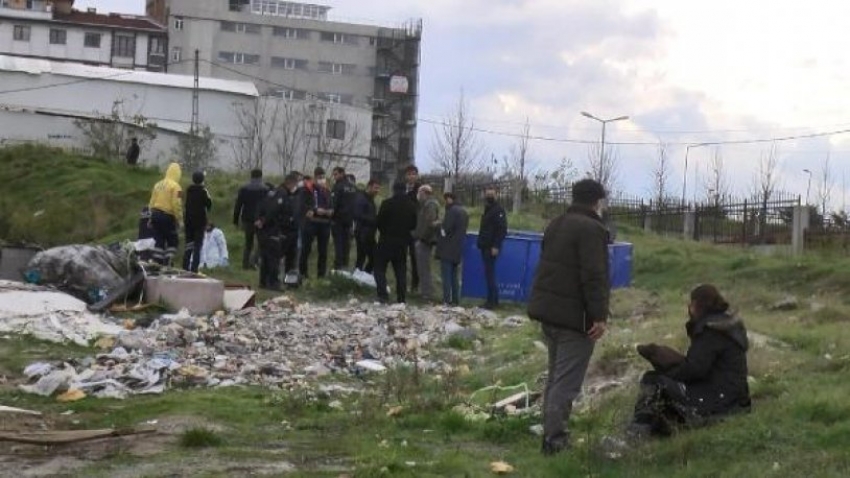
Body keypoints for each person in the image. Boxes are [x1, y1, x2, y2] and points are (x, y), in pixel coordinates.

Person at [527, 178, 611, 456]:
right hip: (575, 319)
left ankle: (549, 436)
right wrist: (599, 316)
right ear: (597, 202)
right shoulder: (592, 229)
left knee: (555, 378)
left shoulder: (556, 224)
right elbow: (594, 276)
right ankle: (555, 441)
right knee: (566, 383)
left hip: (549, 313)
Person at [628, 285, 751, 438]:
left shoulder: (711, 331)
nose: (689, 308)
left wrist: (667, 369)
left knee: (654, 380)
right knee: (667, 390)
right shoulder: (724, 325)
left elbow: (696, 370)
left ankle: (635, 435)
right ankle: (655, 430)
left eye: (691, 303)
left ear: (698, 304)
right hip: (734, 398)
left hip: (721, 400)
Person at [374, 182, 417, 304]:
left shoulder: (387, 203)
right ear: (405, 189)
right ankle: (401, 299)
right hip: (402, 243)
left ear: (393, 190)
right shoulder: (411, 205)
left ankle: (383, 295)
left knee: (379, 268)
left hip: (386, 241)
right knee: (400, 271)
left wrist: (384, 231)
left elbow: (379, 221)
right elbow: (414, 224)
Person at [477, 185, 508, 309]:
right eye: (487, 194)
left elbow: (502, 229)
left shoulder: (498, 210)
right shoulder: (488, 208)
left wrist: (496, 245)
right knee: (488, 274)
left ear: (496, 195)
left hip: (491, 246)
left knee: (490, 274)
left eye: (491, 194)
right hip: (485, 244)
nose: (489, 196)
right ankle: (492, 300)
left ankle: (492, 301)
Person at [436, 192, 469, 306]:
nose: (445, 202)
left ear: (449, 199)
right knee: (455, 276)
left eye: (445, 200)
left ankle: (446, 299)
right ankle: (455, 300)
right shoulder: (464, 212)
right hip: (458, 247)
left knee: (446, 276)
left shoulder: (452, 211)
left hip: (447, 247)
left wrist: (439, 226)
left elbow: (445, 230)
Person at [299, 168, 333, 279]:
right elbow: (302, 204)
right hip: (311, 223)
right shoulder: (307, 189)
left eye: (323, 177)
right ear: (314, 177)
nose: (321, 180)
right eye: (319, 178)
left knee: (323, 251)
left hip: (324, 223)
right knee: (306, 249)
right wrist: (314, 209)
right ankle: (303, 273)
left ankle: (321, 274)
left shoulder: (327, 190)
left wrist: (330, 211)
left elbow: (331, 204)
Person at [148, 162, 183, 266]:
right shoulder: (178, 187)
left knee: (159, 239)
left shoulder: (157, 184)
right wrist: (180, 220)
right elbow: (177, 204)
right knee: (173, 240)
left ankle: (157, 262)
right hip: (167, 216)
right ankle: (168, 261)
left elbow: (151, 203)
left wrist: (150, 217)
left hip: (155, 215)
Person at [233, 169, 269, 270]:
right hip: (260, 220)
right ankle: (255, 262)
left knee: (248, 243)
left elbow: (238, 205)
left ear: (251, 176)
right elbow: (267, 206)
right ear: (261, 176)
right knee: (261, 243)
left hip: (247, 218)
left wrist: (235, 220)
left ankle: (245, 264)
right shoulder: (265, 189)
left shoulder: (244, 188)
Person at [412, 184, 440, 301]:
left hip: (425, 241)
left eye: (419, 193)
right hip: (423, 239)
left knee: (424, 268)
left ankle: (427, 294)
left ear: (424, 193)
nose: (418, 195)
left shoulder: (430, 205)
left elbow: (430, 224)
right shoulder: (425, 205)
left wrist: (421, 238)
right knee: (421, 267)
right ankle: (425, 292)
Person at [182, 171, 212, 273]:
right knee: (197, 246)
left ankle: (185, 267)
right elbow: (209, 204)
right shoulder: (204, 190)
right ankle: (194, 269)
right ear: (202, 180)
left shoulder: (188, 190)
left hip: (188, 221)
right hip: (200, 222)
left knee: (188, 244)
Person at [331, 166, 358, 270]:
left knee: (339, 246)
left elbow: (334, 204)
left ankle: (338, 268)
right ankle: (345, 267)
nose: (334, 177)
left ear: (342, 174)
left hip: (338, 220)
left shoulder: (338, 186)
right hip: (349, 221)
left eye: (336, 174)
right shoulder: (353, 187)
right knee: (346, 246)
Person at [354, 179, 380, 273]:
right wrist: (372, 219)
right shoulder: (361, 198)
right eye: (375, 188)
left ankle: (364, 274)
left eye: (378, 189)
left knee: (374, 256)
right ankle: (358, 277)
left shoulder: (371, 199)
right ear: (369, 187)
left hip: (370, 233)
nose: (377, 191)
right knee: (362, 257)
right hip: (362, 233)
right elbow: (357, 214)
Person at [404, 165, 422, 292]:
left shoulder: (420, 190)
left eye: (413, 174)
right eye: (409, 174)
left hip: (415, 227)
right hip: (403, 227)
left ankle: (415, 285)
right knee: (401, 256)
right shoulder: (403, 188)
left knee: (415, 257)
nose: (411, 176)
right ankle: (402, 282)